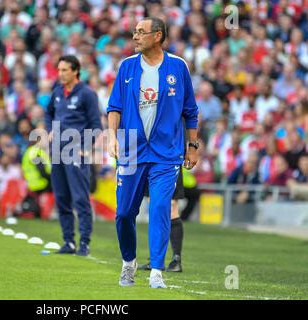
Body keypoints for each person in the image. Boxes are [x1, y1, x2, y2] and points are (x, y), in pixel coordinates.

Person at [107, 17, 199, 289]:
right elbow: (115, 107)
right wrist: (112, 136)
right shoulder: (126, 67)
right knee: (124, 213)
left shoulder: (178, 66)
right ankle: (128, 263)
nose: (135, 36)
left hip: (166, 155)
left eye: (141, 32)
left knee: (160, 208)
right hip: (131, 152)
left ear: (157, 36)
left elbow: (191, 111)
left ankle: (157, 271)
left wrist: (192, 146)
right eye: (134, 32)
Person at [45, 55, 102, 256]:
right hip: (57, 152)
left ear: (76, 71)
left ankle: (84, 243)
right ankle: (68, 241)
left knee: (80, 198)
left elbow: (96, 125)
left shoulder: (87, 94)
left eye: (64, 70)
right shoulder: (57, 92)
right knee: (61, 197)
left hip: (76, 153)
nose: (60, 74)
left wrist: (85, 148)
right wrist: (49, 129)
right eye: (59, 70)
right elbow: (48, 112)